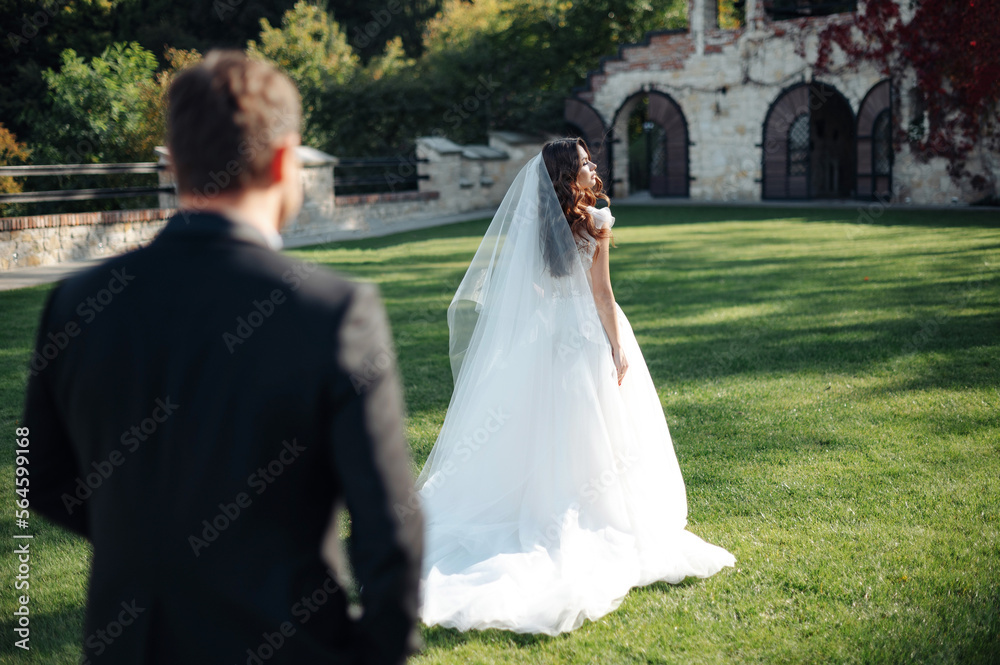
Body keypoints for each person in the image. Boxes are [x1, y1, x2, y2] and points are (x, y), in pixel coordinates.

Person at [22, 50, 423, 664]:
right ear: (287, 160)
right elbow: (390, 530)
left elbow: (39, 476)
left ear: (175, 163)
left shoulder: (76, 300)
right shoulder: (333, 310)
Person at [414, 138, 735, 636]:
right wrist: (616, 345)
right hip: (584, 333)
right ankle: (589, 508)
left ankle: (543, 499)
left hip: (548, 335)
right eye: (584, 162)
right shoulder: (598, 220)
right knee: (595, 422)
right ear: (569, 173)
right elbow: (602, 294)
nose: (593, 166)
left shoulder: (539, 223)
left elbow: (535, 288)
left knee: (548, 420)